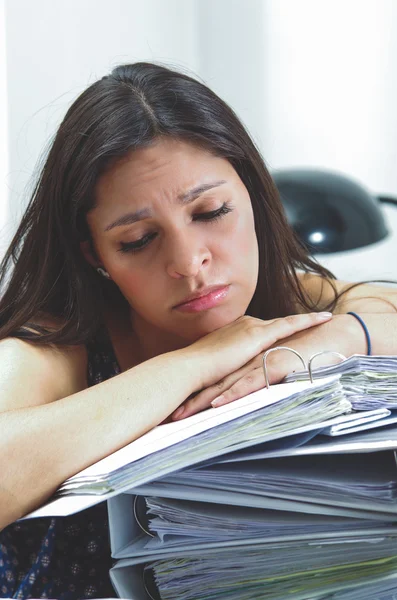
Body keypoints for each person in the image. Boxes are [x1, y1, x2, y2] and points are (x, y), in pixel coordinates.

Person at [0, 61, 396, 599]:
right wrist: (195, 362)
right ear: (95, 255)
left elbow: (377, 304)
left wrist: (342, 336)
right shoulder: (54, 344)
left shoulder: (288, 302)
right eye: (138, 240)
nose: (189, 263)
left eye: (211, 211)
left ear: (254, 194)